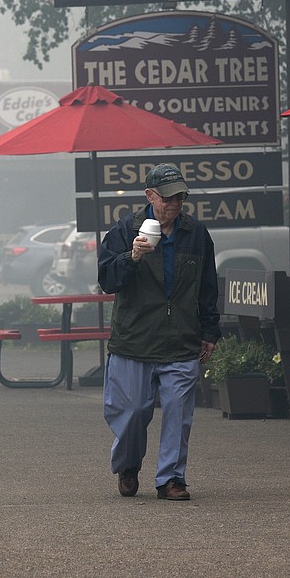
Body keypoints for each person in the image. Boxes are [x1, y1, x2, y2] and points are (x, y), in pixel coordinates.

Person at [98, 163, 220, 500]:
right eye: (168, 198)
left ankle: (171, 479)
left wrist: (210, 330)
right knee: (133, 412)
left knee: (178, 413)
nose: (175, 204)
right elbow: (108, 280)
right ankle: (128, 466)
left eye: (180, 197)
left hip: (181, 340)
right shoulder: (124, 231)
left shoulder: (196, 233)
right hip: (134, 340)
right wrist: (132, 256)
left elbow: (208, 286)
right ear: (149, 196)